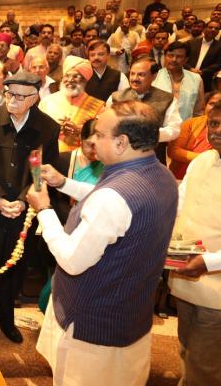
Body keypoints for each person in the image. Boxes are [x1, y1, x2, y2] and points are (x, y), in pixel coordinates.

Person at [28, 100, 178, 386]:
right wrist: (64, 183)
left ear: (121, 143)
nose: (92, 140)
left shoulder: (114, 197)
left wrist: (44, 210)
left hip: (94, 325)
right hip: (130, 313)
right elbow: (109, 201)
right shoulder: (162, 176)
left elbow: (72, 260)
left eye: (99, 134)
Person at [0, 70, 60, 342]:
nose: (12, 100)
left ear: (34, 98)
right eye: (10, 94)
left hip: (25, 212)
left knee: (16, 267)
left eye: (21, 97)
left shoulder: (47, 128)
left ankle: (6, 318)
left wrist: (22, 200)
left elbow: (41, 171)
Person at [168, 100, 221, 386]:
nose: (217, 130)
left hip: (216, 289)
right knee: (186, 348)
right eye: (214, 123)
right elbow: (181, 208)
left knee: (204, 364)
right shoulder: (201, 160)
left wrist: (208, 263)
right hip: (186, 275)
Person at [39, 56, 105, 152]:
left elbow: (102, 137)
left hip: (80, 158)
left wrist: (80, 131)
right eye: (67, 76)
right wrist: (56, 129)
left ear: (85, 80)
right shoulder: (47, 102)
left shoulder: (98, 106)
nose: (70, 80)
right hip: (49, 155)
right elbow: (36, 130)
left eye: (75, 76)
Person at [167, 91, 220, 179]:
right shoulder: (191, 124)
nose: (215, 107)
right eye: (212, 103)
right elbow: (174, 151)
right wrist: (206, 158)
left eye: (219, 105)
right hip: (180, 178)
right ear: (205, 106)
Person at [153, 41, 204, 121]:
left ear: (186, 59)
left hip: (186, 125)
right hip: (159, 125)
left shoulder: (196, 79)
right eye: (170, 55)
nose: (174, 59)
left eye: (179, 56)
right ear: (165, 57)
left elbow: (198, 111)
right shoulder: (154, 77)